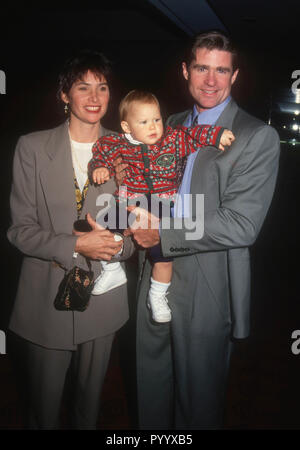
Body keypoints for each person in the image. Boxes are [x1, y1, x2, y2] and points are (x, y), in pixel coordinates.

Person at [123, 31, 280, 429]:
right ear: (185, 71)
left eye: (222, 70)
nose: (211, 80)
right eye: (202, 67)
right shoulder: (167, 124)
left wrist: (164, 234)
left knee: (197, 404)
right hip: (155, 274)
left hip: (209, 283)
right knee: (151, 388)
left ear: (235, 76)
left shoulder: (256, 136)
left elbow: (242, 224)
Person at [6, 50, 134, 430]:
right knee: (43, 413)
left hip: (104, 297)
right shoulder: (31, 148)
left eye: (103, 87)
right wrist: (77, 245)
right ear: (64, 95)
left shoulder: (128, 150)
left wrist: (119, 246)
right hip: (46, 300)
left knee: (88, 410)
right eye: (83, 87)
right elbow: (20, 230)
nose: (95, 97)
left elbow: (133, 233)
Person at [88, 89, 234, 323]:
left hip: (163, 204)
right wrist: (100, 167)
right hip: (130, 201)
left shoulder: (172, 140)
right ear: (127, 127)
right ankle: (112, 269)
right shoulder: (118, 142)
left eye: (156, 119)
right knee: (106, 224)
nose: (153, 126)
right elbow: (102, 152)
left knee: (163, 256)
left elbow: (193, 135)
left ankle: (157, 295)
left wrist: (216, 136)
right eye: (143, 122)